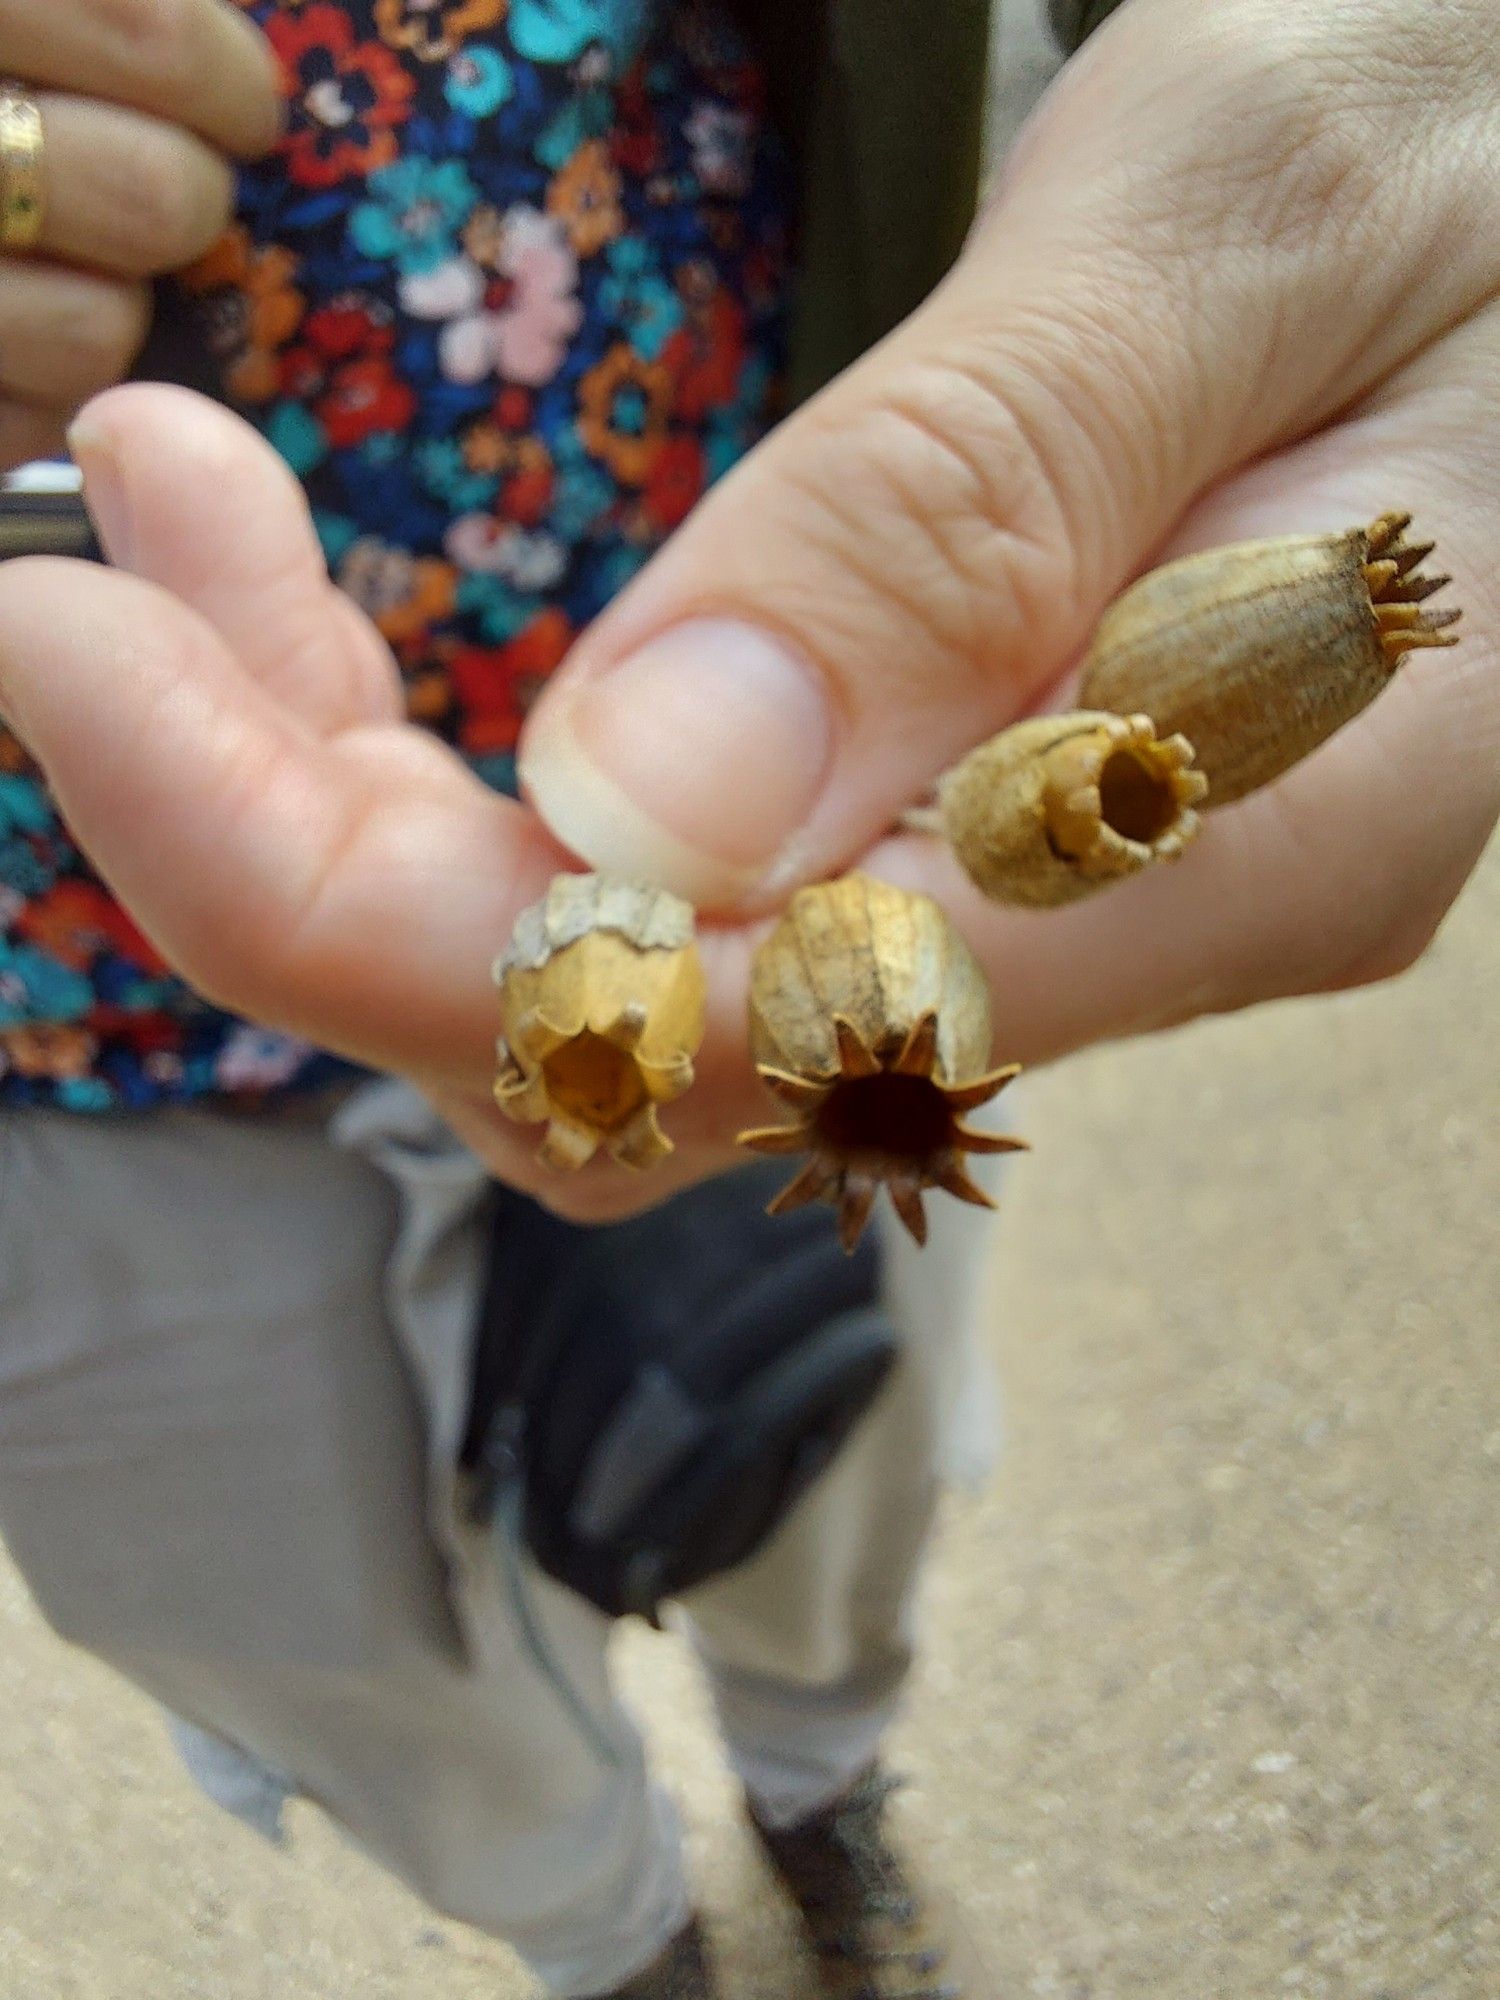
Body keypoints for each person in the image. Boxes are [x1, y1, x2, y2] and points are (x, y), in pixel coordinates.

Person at [0, 0, 1496, 1994]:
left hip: (790, 835)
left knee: (820, 1436)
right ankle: (607, 1929)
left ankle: (820, 1777)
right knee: (309, 1611)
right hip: (59, 1009)